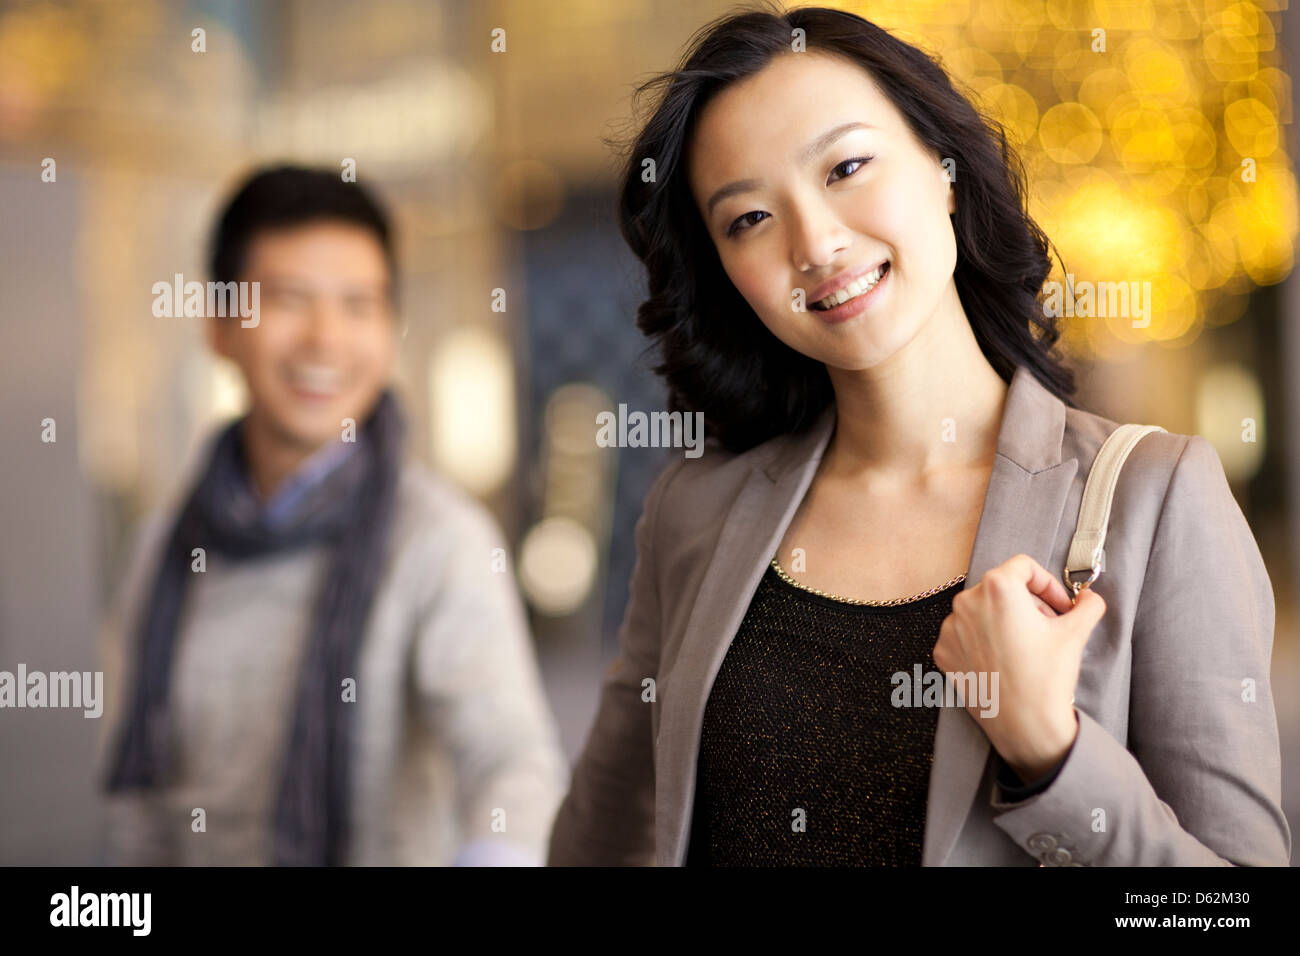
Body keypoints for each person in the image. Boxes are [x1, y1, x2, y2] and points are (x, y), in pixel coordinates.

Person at [548, 5, 1290, 866]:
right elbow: (596, 839)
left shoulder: (1155, 500)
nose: (816, 242)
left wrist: (1053, 755)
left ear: (942, 169)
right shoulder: (695, 511)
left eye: (847, 166)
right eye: (749, 218)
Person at [97, 165, 567, 866]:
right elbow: (142, 802)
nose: (325, 338)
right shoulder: (166, 547)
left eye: (358, 304)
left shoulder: (437, 540)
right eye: (289, 300)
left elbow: (512, 763)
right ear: (221, 327)